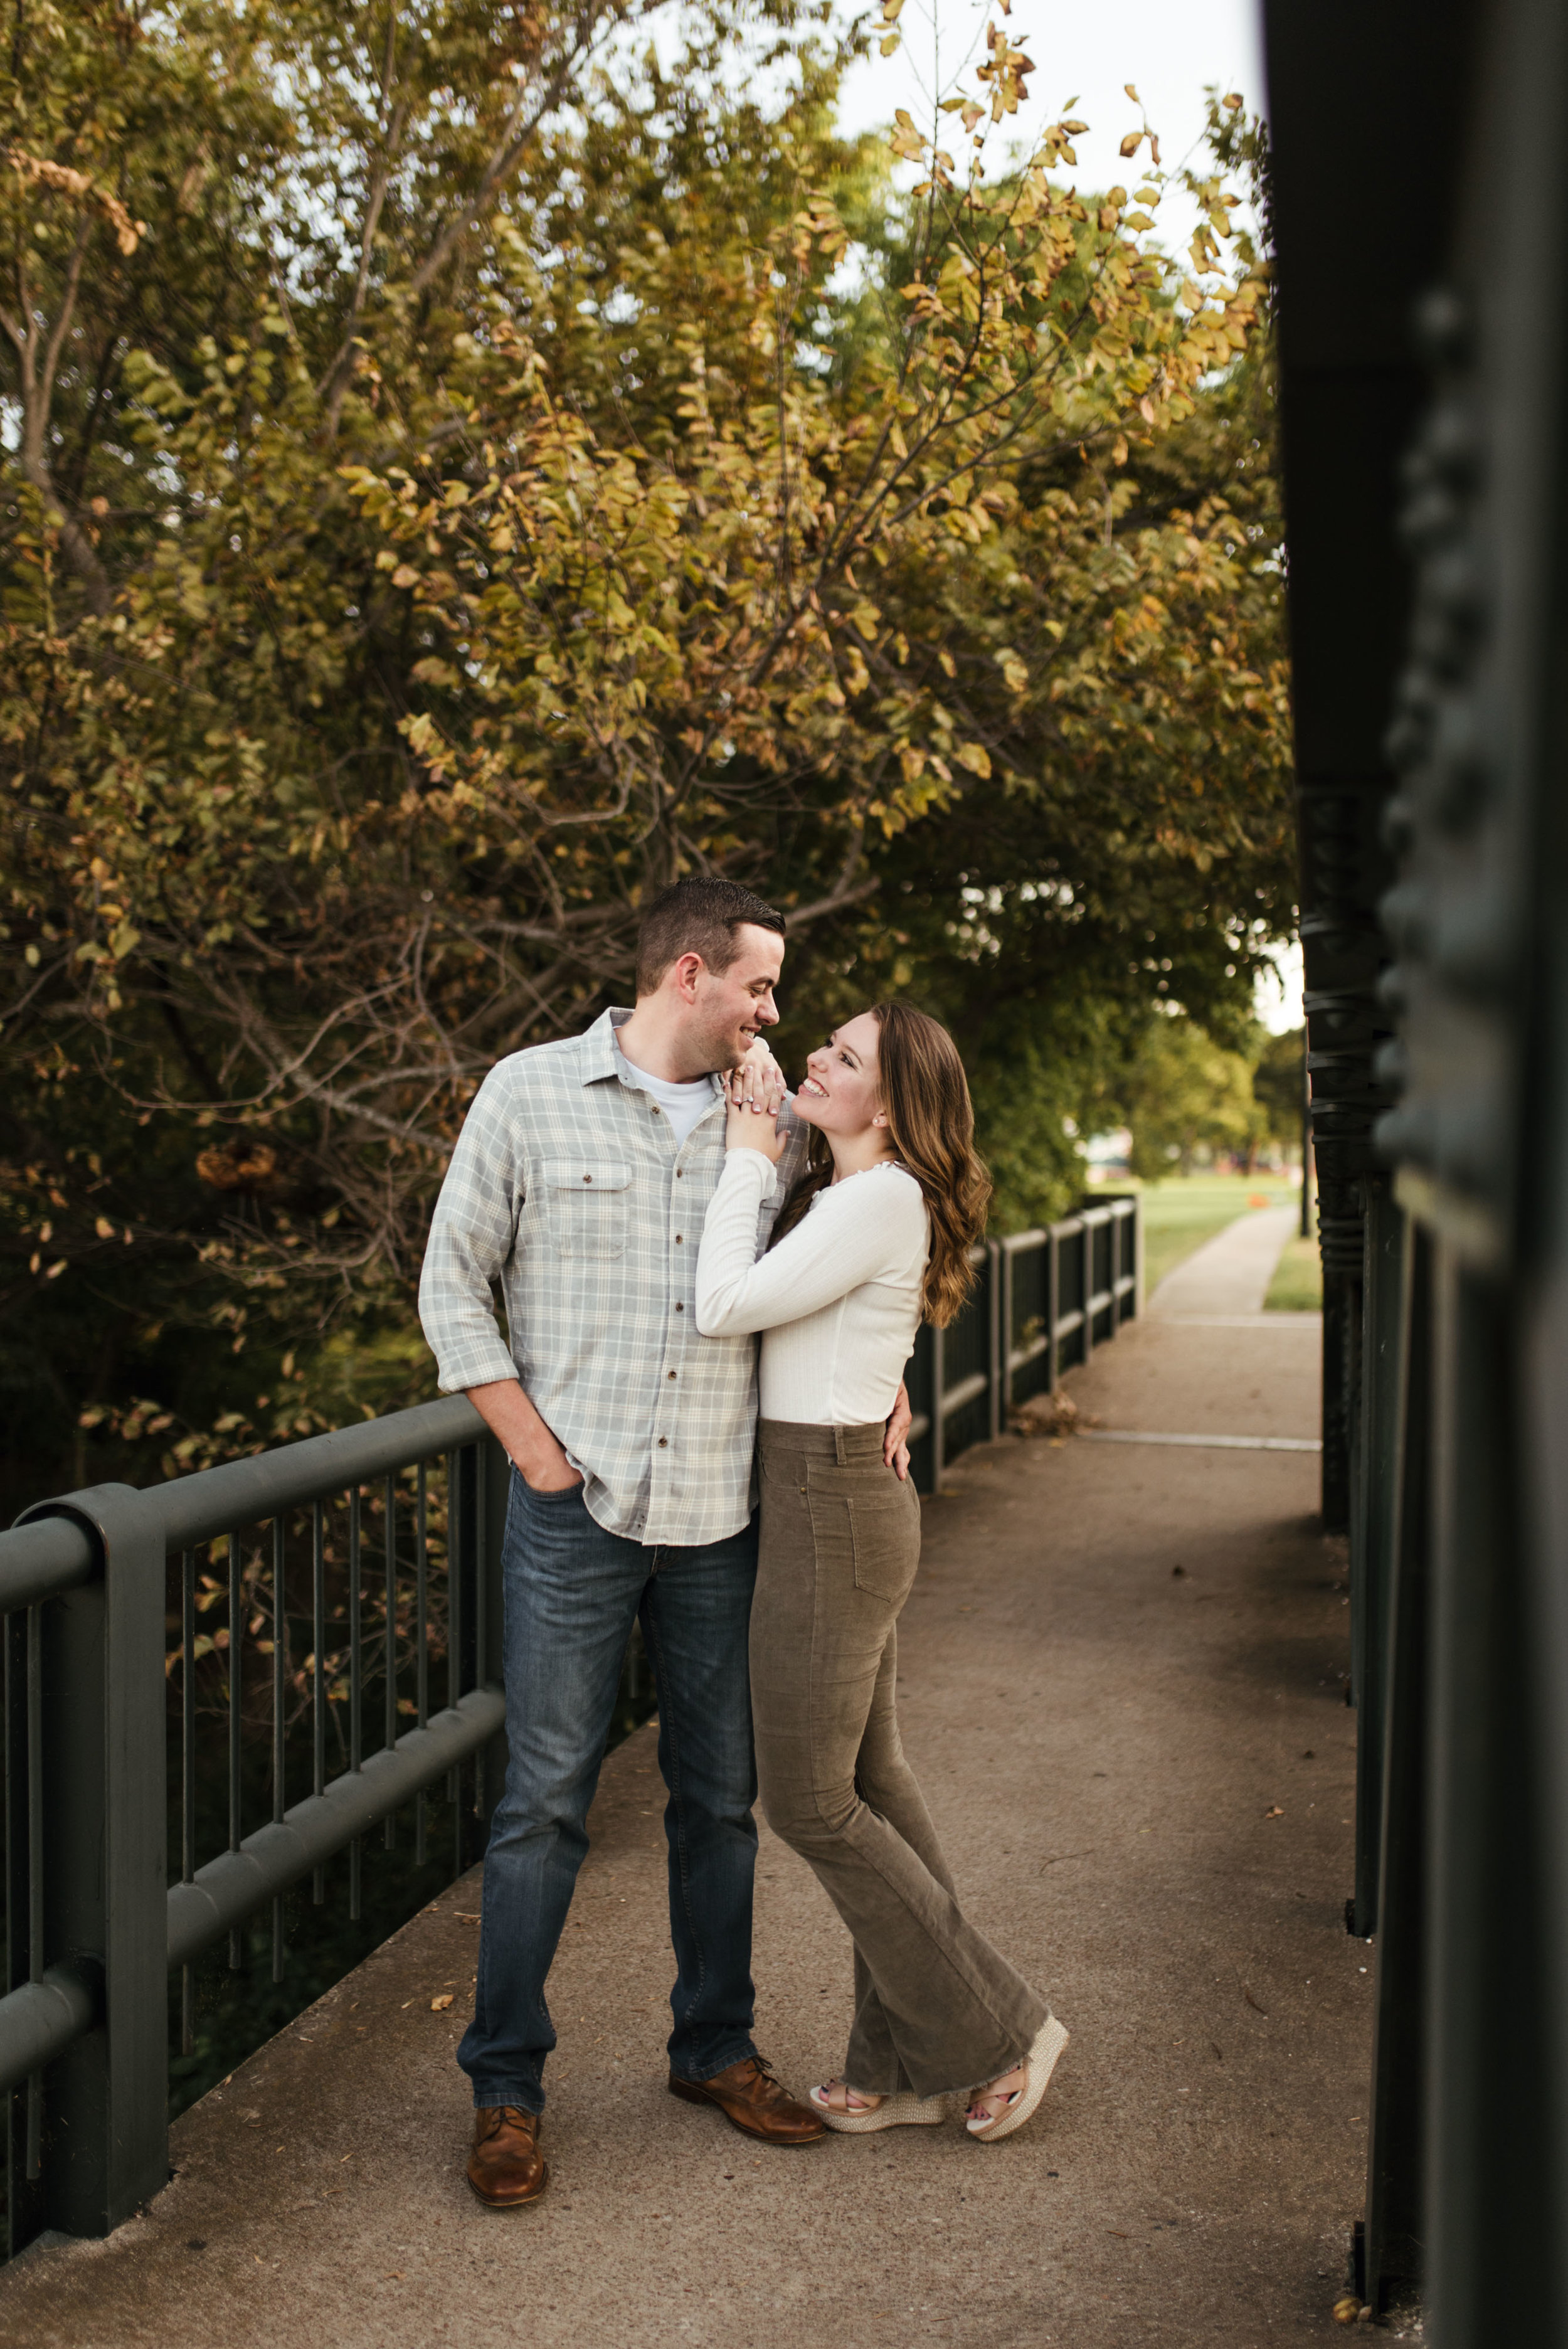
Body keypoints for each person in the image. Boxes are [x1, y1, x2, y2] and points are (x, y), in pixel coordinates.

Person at [417, 878, 912, 2210]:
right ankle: (506, 2087)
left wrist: (886, 1379)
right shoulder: (527, 1093)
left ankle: (714, 2048)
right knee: (540, 1803)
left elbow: (836, 1275)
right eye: (758, 985)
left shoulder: (787, 1128)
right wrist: (526, 1444)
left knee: (718, 1802)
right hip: (569, 1510)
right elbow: (449, 1279)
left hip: (722, 1512)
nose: (773, 1011)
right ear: (687, 975)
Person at [694, 1002, 1068, 2141]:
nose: (816, 1055)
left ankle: (1001, 2028)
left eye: (844, 1058)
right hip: (839, 1492)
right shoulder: (854, 1191)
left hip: (833, 1513)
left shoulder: (877, 1195)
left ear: (894, 1109)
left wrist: (743, 1164)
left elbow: (723, 1305)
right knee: (877, 1784)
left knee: (810, 1801)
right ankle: (906, 2063)